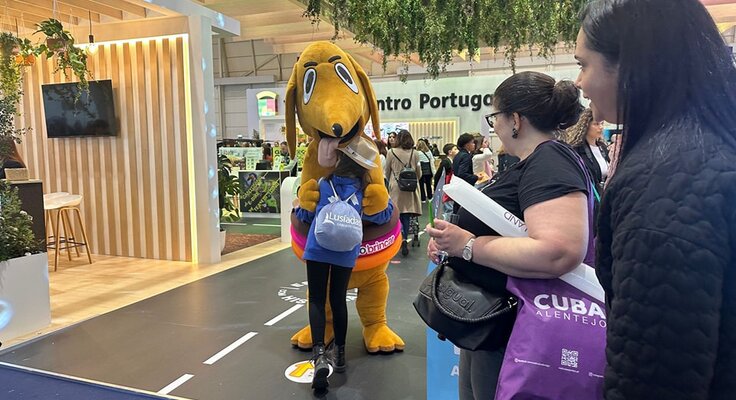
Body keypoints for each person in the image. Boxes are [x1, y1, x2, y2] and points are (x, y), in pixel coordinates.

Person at [575, 1, 736, 399]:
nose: (579, 83)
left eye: (584, 64)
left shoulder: (663, 182)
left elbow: (651, 373)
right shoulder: (707, 147)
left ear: (631, 65)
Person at [426, 71, 590, 400]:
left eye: (495, 117)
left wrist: (468, 245)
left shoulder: (549, 161)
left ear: (515, 120)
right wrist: (454, 243)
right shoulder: (534, 161)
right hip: (493, 322)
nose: (494, 126)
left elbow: (558, 250)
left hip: (516, 327)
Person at [294, 140, 393, 391]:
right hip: (346, 251)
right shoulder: (364, 191)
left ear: (338, 160)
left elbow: (305, 214)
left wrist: (300, 207)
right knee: (338, 299)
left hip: (318, 248)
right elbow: (383, 214)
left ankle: (319, 354)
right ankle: (339, 353)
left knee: (317, 299)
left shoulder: (322, 184)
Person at [564, 108, 609, 226]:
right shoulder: (576, 150)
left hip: (605, 199)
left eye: (602, 124)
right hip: (589, 203)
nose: (601, 127)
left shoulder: (603, 147)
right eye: (596, 124)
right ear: (585, 126)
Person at [384, 129, 422, 256]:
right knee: (406, 215)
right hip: (410, 188)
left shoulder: (391, 152)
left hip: (396, 188)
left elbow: (386, 172)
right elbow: (419, 173)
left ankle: (397, 238)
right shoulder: (415, 153)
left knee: (396, 214)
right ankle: (405, 238)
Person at [433, 143, 459, 214]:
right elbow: (438, 175)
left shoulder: (452, 161)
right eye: (455, 149)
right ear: (450, 152)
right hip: (445, 187)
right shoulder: (446, 162)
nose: (458, 151)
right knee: (448, 208)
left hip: (449, 187)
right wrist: (436, 188)